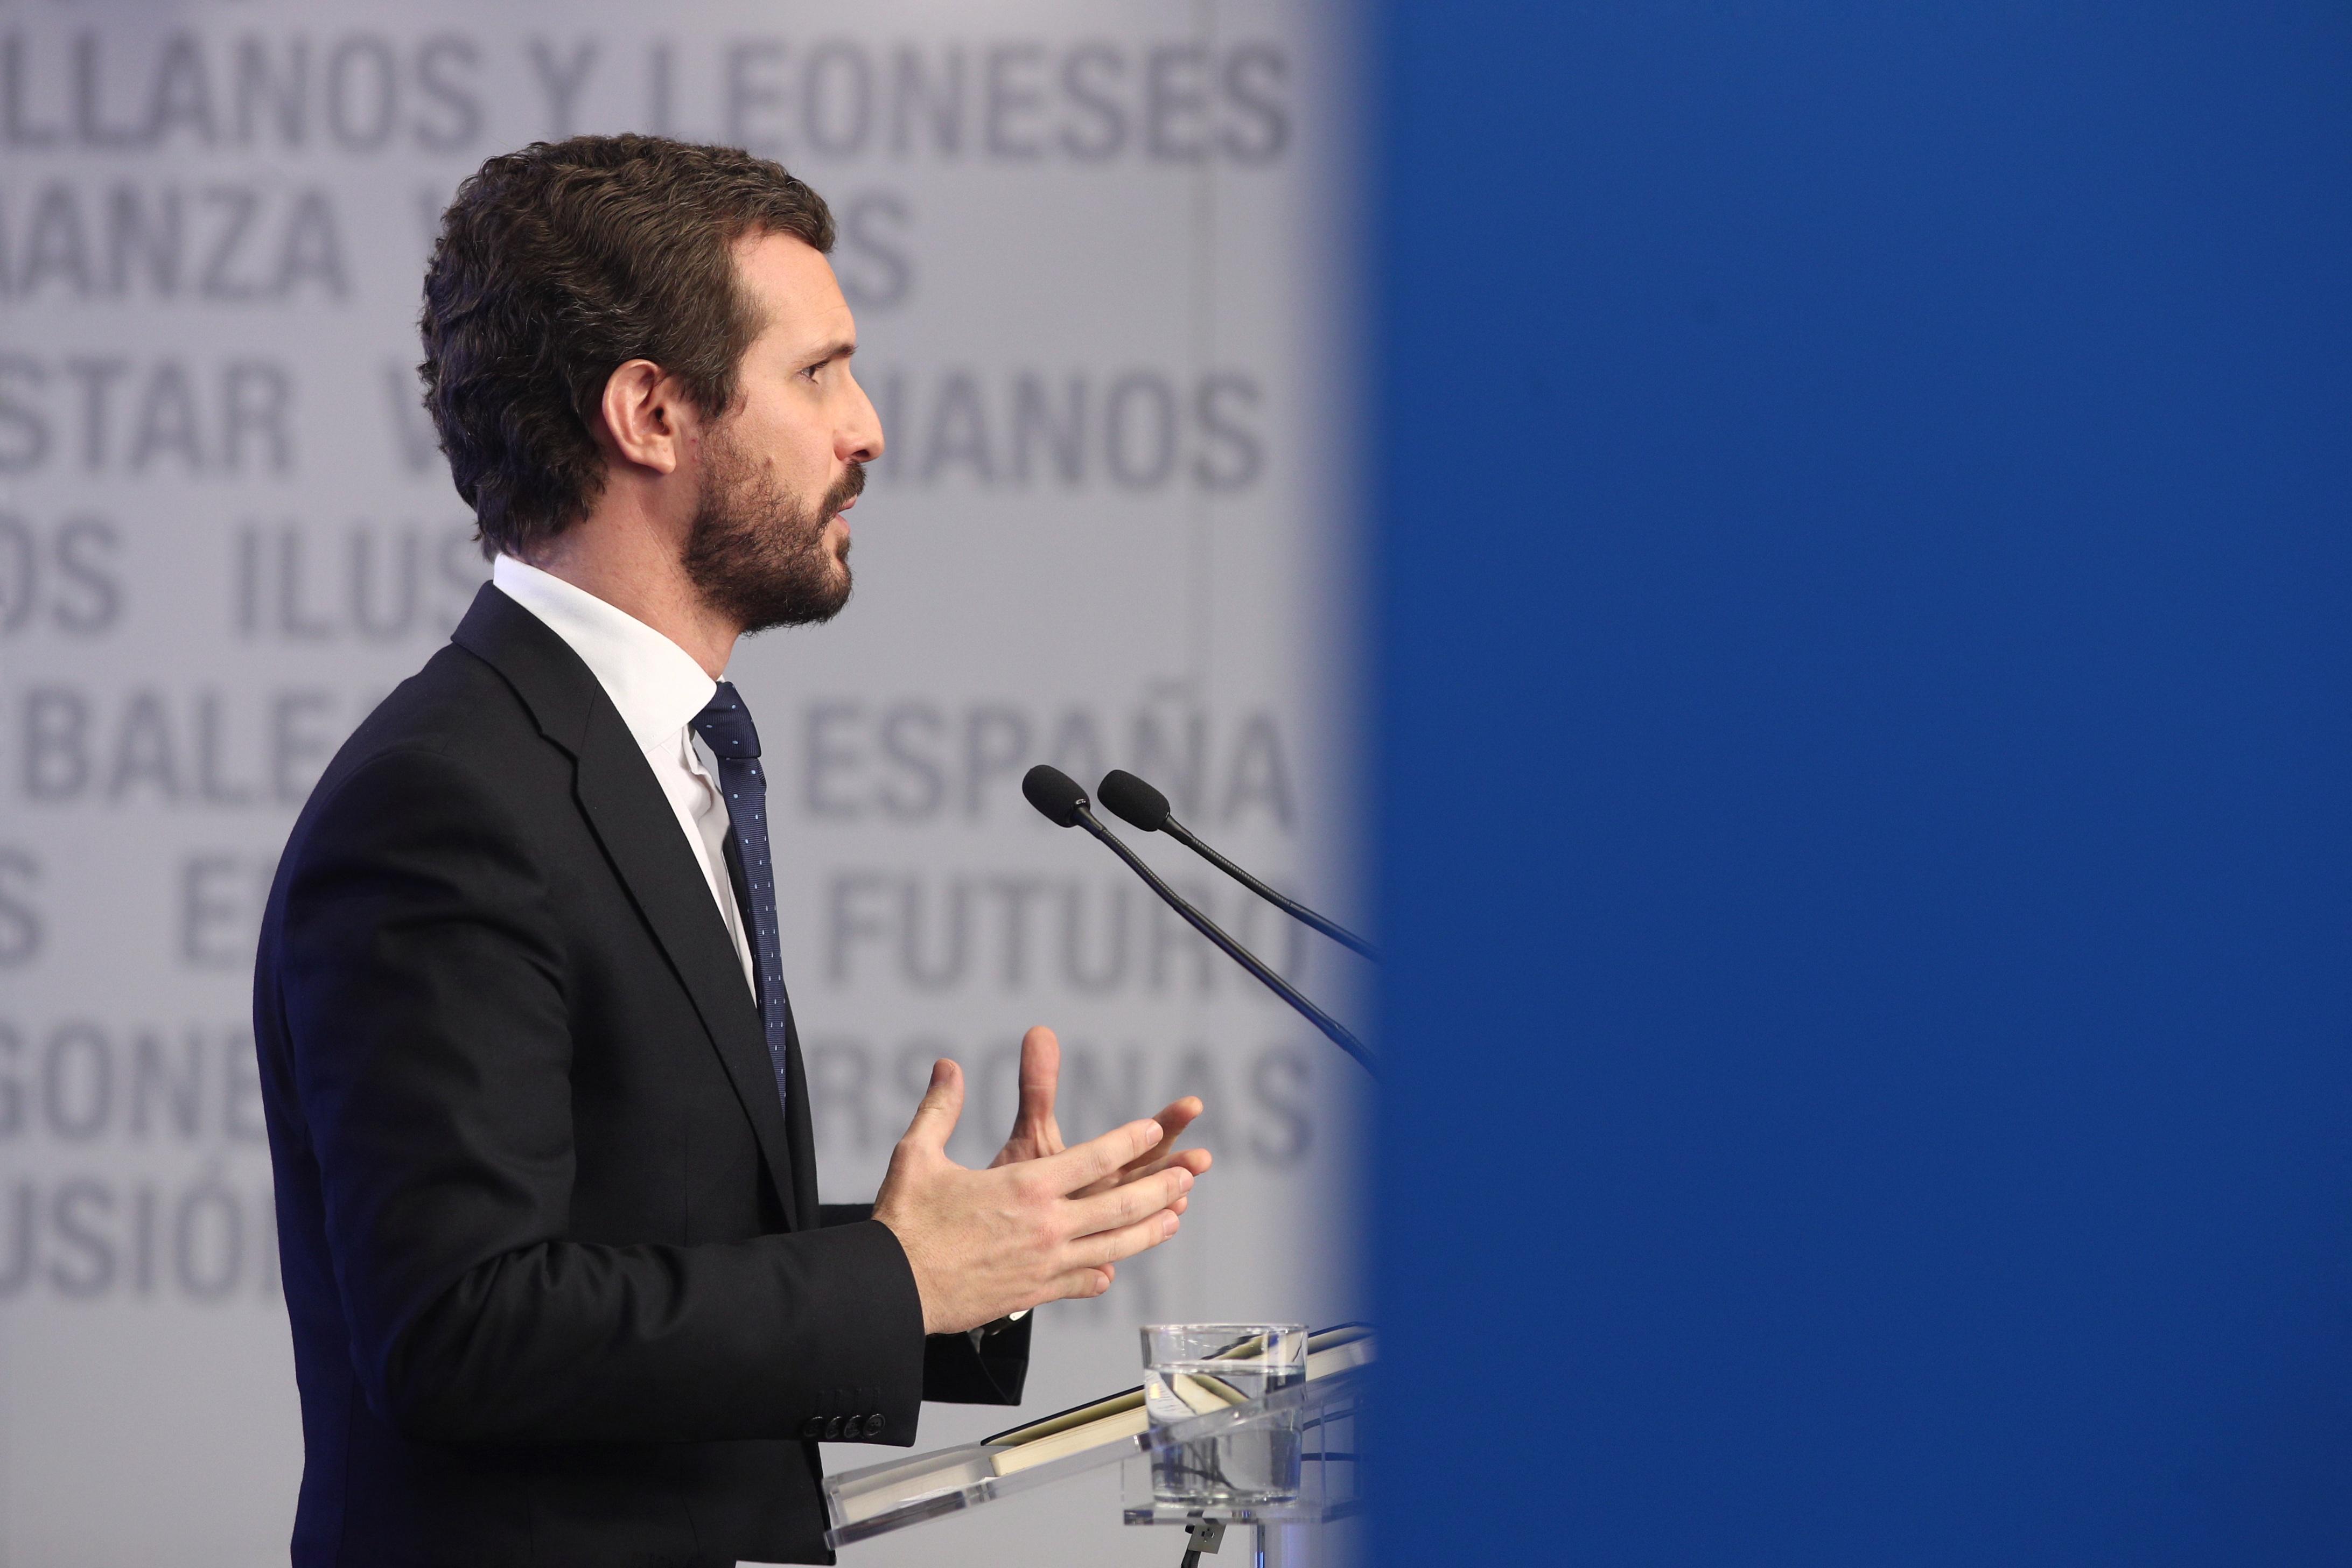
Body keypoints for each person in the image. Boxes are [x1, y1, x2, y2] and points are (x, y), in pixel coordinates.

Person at [251, 135, 1213, 1568]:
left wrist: (962, 1262)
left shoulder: (653, 756)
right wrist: (888, 1278)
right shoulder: (446, 802)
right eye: (819, 373)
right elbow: (464, 1329)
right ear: (651, 412)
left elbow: (631, 1242)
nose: (868, 427)